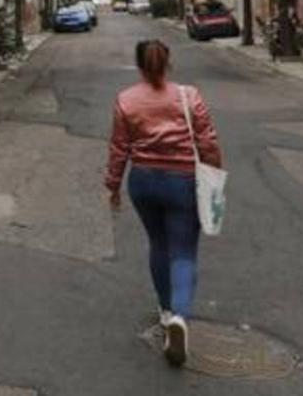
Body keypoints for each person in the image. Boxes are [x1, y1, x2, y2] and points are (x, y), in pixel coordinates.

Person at [106, 39, 222, 367]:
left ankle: (166, 310)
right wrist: (214, 177)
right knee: (183, 251)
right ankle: (180, 318)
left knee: (158, 244)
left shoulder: (125, 100)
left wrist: (112, 186)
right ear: (168, 64)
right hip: (183, 182)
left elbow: (119, 148)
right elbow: (208, 142)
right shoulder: (190, 96)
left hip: (143, 181)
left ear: (140, 66)